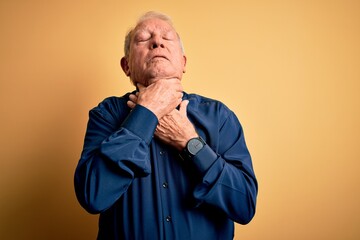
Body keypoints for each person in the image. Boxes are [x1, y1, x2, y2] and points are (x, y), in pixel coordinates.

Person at [74, 11, 258, 240]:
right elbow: (93, 195)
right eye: (143, 39)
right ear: (126, 66)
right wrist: (146, 113)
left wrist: (189, 142)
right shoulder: (107, 114)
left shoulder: (219, 116)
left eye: (167, 38)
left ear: (183, 62)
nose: (156, 42)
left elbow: (244, 205)